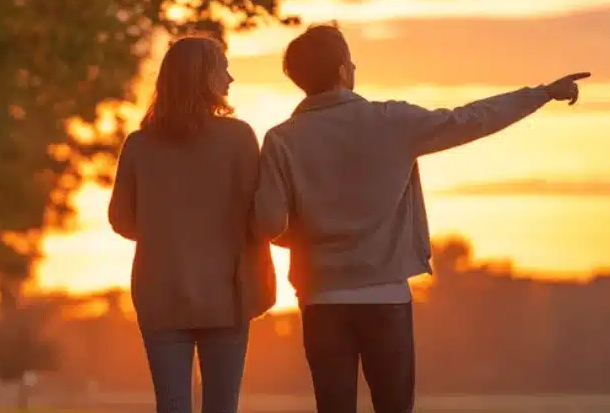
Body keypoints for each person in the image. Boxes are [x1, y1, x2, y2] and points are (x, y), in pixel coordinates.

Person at [252, 23, 590, 413]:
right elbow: (472, 118)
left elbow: (269, 225)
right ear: (344, 70)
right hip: (387, 297)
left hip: (321, 299)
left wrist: (309, 234)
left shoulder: (281, 139)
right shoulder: (392, 121)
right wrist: (543, 94)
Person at [108, 35, 276, 413]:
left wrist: (163, 231)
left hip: (160, 295)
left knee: (170, 408)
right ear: (204, 77)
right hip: (227, 298)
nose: (230, 79)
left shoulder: (138, 145)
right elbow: (259, 216)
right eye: (223, 69)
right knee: (222, 407)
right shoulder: (239, 138)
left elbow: (120, 219)